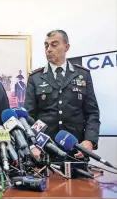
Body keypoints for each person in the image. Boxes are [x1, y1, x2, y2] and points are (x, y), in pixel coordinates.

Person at [24, 30, 100, 160]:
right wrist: (32, 145)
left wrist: (89, 141)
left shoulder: (82, 74)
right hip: (44, 150)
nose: (49, 49)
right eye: (46, 45)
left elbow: (92, 112)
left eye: (54, 44)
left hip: (76, 149)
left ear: (66, 47)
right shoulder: (35, 77)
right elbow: (29, 116)